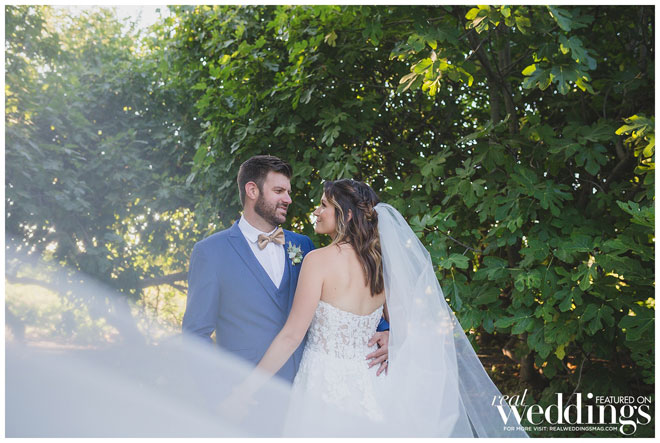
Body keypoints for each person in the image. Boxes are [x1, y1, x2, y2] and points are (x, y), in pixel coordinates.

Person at [225, 179, 529, 437]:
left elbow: (292, 335)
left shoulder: (317, 261)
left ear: (345, 215)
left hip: (322, 384)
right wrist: (393, 336)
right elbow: (413, 325)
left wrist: (245, 390)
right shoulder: (381, 266)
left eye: (323, 205)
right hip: (373, 383)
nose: (316, 211)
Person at [182, 156, 389, 383]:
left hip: (307, 383)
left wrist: (386, 332)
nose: (288, 199)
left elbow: (345, 303)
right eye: (279, 191)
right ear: (252, 190)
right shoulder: (211, 252)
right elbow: (195, 335)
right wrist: (219, 388)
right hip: (242, 385)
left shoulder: (303, 246)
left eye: (288, 192)